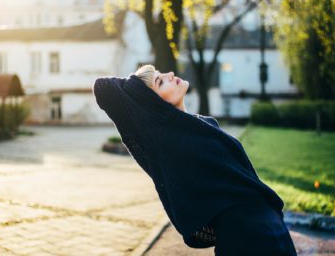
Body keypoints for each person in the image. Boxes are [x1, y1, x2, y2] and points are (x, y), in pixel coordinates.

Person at [93, 64, 297, 256]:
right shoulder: (168, 142)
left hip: (271, 228)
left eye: (162, 74)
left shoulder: (203, 124)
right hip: (245, 237)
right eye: (160, 82)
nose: (170, 75)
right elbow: (103, 87)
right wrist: (134, 89)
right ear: (153, 104)